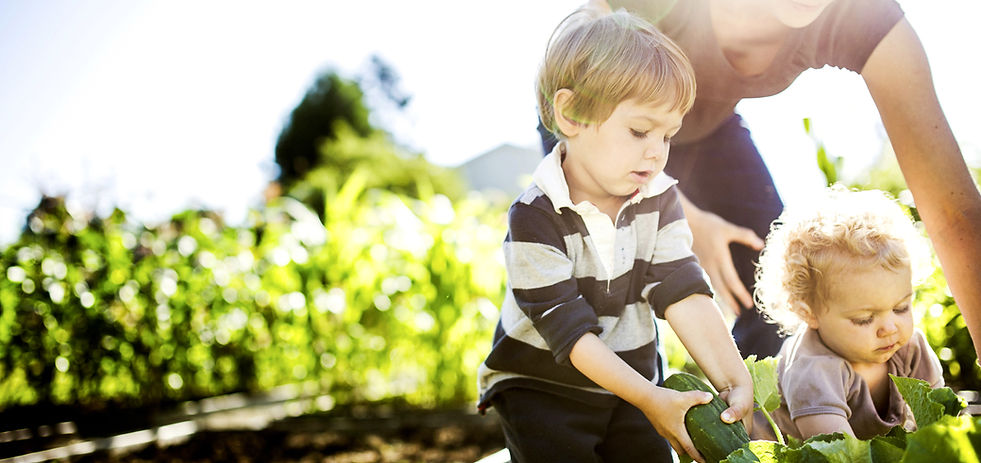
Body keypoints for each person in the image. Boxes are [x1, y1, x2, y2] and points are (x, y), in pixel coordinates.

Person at [538, 0, 981, 361]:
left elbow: (956, 214)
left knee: (774, 291)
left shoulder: (861, 15)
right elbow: (576, 65)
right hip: (597, 127)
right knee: (602, 291)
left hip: (709, 131)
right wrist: (680, 217)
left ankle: (757, 430)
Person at [478, 7, 754, 463]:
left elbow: (682, 290)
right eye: (640, 130)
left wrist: (733, 376)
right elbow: (568, 332)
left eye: (668, 136)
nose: (657, 152)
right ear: (571, 115)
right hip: (542, 387)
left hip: (634, 376)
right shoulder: (535, 216)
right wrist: (649, 399)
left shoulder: (659, 200)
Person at [753, 186, 944, 440]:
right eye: (864, 319)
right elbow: (837, 453)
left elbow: (945, 422)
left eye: (901, 308)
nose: (890, 327)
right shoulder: (812, 368)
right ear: (809, 314)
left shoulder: (910, 349)